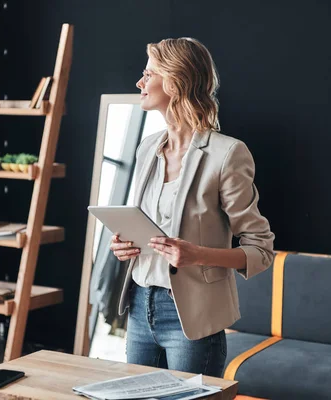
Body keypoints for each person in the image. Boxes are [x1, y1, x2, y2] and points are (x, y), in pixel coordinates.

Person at [109, 37, 275, 378]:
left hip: (192, 317)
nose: (139, 83)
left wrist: (197, 254)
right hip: (140, 306)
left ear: (174, 81)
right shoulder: (147, 148)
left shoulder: (227, 154)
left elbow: (260, 250)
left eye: (147, 74)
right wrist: (123, 246)